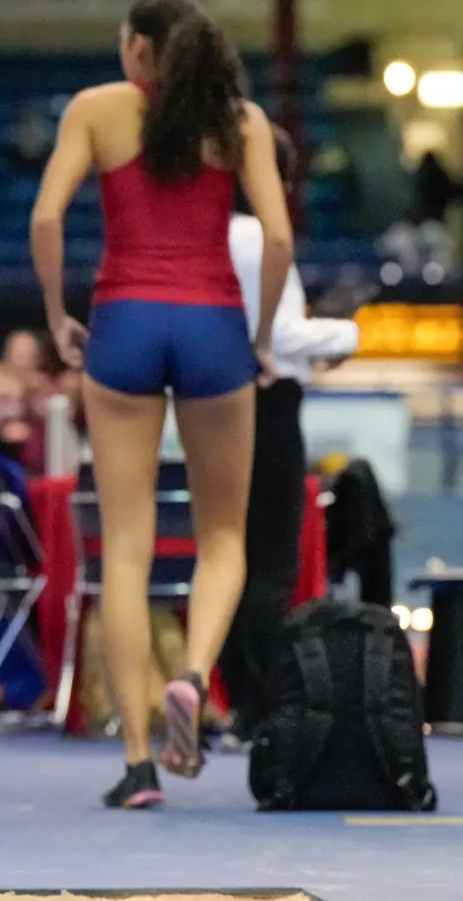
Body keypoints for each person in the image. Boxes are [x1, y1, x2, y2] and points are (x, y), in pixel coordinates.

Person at [29, 0, 294, 807]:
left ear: (141, 50)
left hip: (125, 325)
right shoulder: (240, 121)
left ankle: (140, 761)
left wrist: (55, 316)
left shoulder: (97, 111)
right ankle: (191, 675)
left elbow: (45, 216)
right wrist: (259, 339)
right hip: (214, 324)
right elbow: (279, 237)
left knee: (128, 550)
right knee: (222, 536)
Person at [218, 126, 359, 749]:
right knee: (269, 564)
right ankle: (263, 707)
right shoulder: (256, 237)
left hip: (212, 404)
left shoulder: (207, 234)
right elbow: (280, 336)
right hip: (268, 405)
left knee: (223, 558)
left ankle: (239, 705)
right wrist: (347, 336)